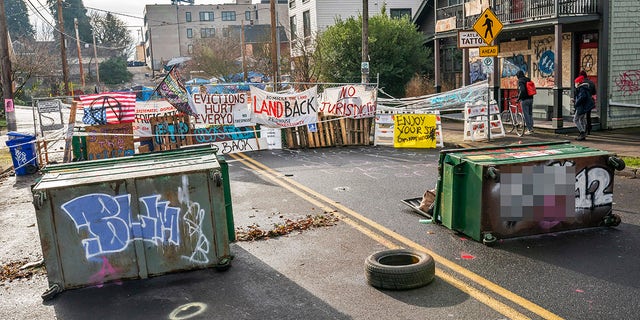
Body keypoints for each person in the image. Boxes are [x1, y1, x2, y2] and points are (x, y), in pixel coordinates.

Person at [573, 75, 595, 141]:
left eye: (576, 83)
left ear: (579, 83)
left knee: (575, 119)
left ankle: (582, 132)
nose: (575, 84)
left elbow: (582, 97)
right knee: (582, 119)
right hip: (584, 106)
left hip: (581, 106)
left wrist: (576, 103)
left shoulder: (581, 88)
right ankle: (583, 132)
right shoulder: (584, 87)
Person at [516, 70, 534, 134]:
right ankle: (531, 128)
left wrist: (518, 98)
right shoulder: (528, 79)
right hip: (531, 98)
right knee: (530, 114)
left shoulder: (520, 81)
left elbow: (522, 90)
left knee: (526, 115)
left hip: (524, 100)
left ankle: (529, 129)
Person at [578, 70, 596, 134]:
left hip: (583, 101)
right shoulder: (591, 82)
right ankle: (588, 129)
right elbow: (594, 92)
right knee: (588, 116)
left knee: (581, 117)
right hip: (589, 101)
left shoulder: (581, 83)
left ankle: (583, 130)